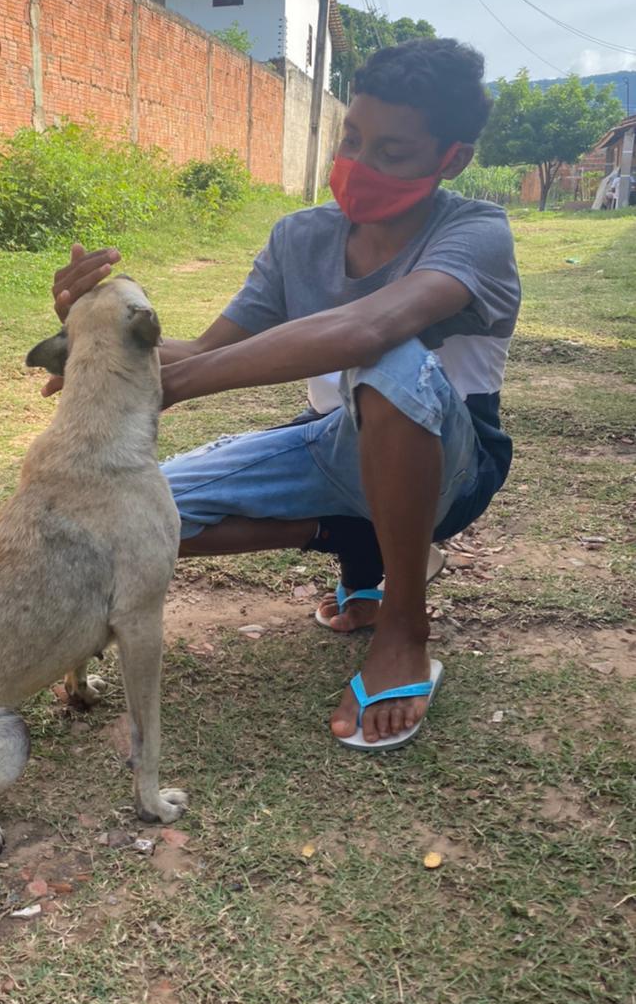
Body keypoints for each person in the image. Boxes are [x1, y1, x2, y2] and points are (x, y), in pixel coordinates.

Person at [46, 37, 521, 752]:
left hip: (454, 464)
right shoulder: (301, 236)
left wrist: (170, 387)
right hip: (332, 445)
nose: (359, 167)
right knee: (135, 514)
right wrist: (93, 334)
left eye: (391, 153)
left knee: (392, 360)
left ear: (450, 159)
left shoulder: (476, 232)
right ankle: (348, 534)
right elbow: (206, 349)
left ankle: (401, 626)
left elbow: (374, 326)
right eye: (352, 138)